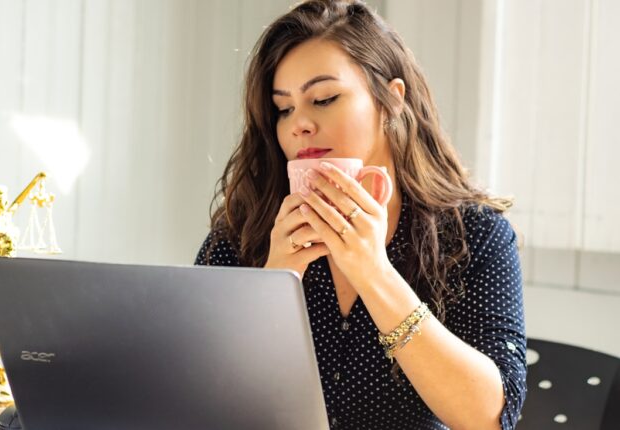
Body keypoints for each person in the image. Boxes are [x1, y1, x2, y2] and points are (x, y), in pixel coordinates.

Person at [195, 1, 526, 429]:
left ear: (390, 100)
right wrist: (270, 288)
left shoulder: (475, 235)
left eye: (324, 98)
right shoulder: (243, 232)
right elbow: (199, 402)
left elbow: (490, 417)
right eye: (284, 108)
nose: (300, 125)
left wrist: (374, 273)